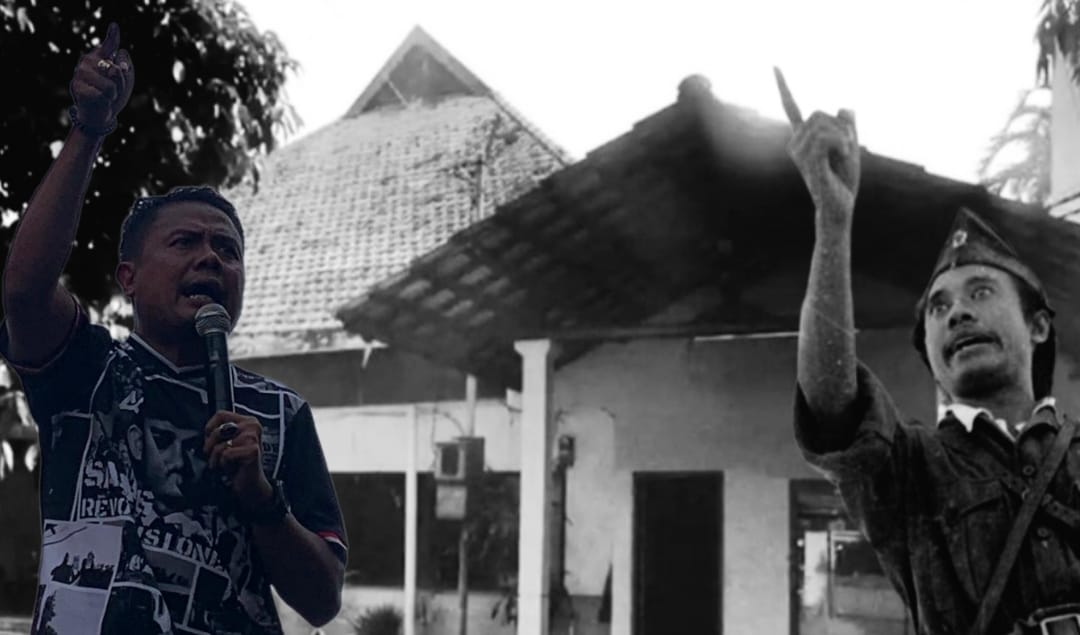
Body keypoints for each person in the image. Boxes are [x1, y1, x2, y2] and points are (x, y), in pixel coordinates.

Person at [1, 23, 347, 633]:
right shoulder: (85, 370)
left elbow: (322, 601)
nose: (211, 258)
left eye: (227, 250)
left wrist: (261, 498)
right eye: (185, 242)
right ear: (128, 278)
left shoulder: (280, 414)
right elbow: (24, 292)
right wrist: (88, 130)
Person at [789, 104, 1080, 634]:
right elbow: (831, 409)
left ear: (1038, 326)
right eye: (939, 308)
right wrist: (832, 222)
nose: (958, 313)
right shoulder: (911, 470)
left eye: (981, 292)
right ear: (929, 350)